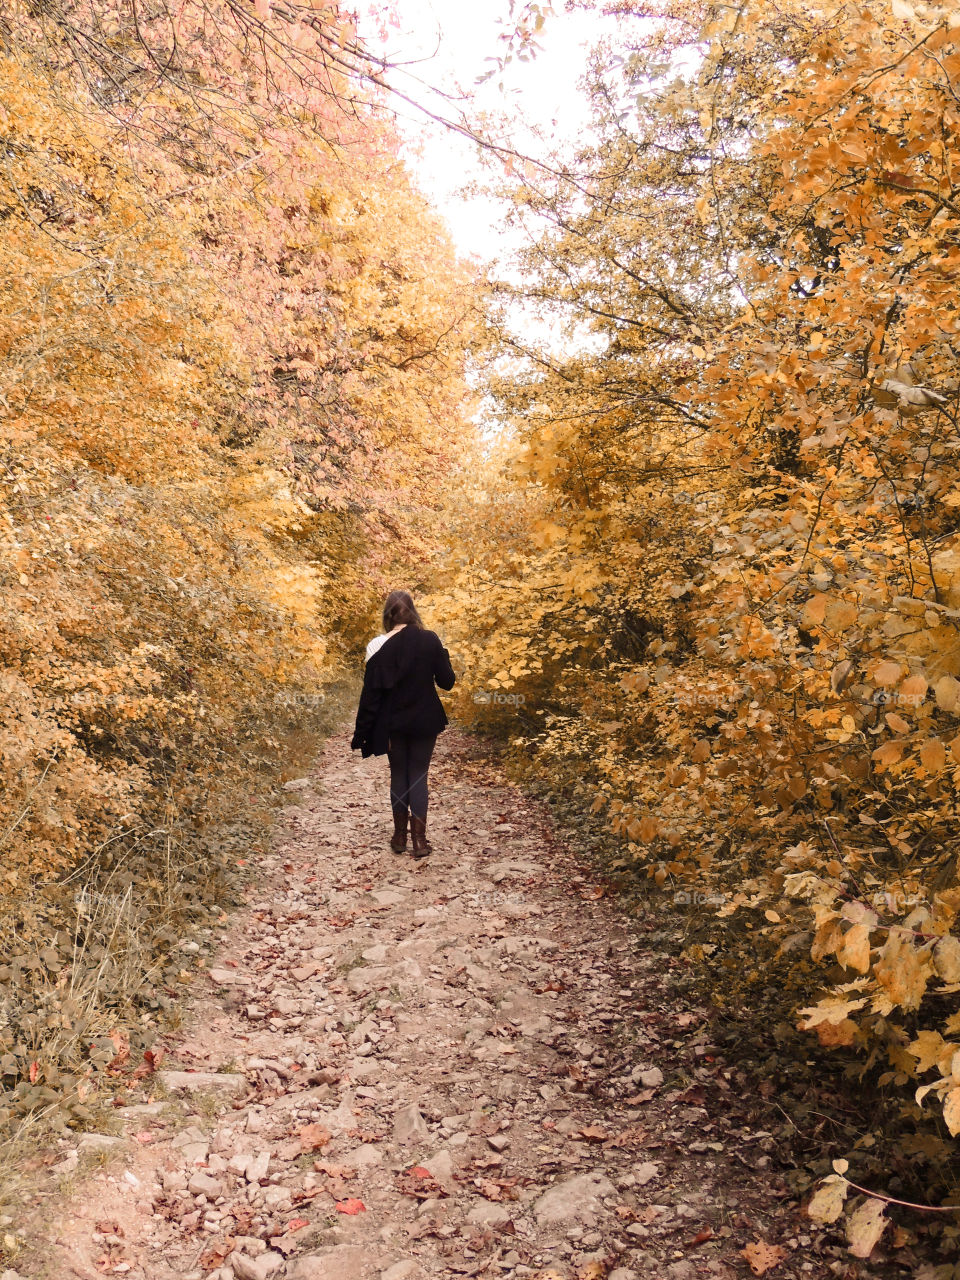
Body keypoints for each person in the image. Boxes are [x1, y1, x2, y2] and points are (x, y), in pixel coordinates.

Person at [350, 590, 456, 858]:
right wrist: (441, 653)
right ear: (413, 611)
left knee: (399, 775)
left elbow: (371, 695)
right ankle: (420, 842)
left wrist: (362, 732)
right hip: (425, 720)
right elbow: (447, 682)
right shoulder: (430, 639)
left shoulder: (376, 645)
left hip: (392, 723)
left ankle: (399, 838)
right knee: (419, 775)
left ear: (388, 615)